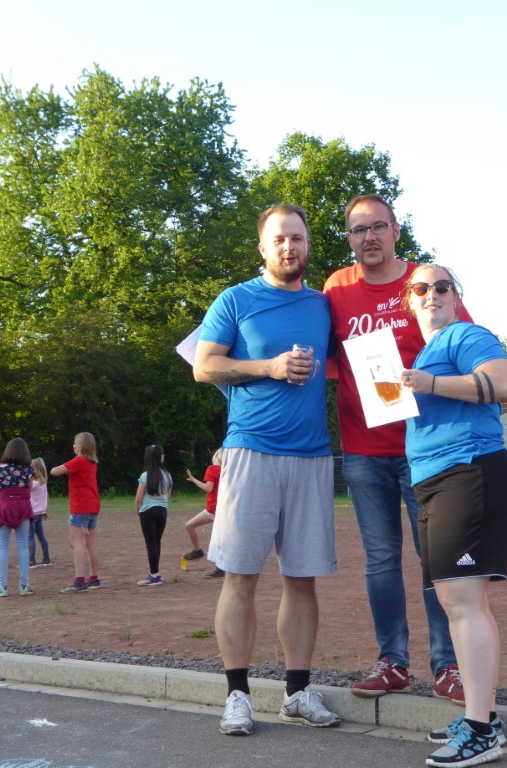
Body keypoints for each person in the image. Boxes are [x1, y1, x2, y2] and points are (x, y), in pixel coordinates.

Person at [193, 203, 339, 736]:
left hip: (312, 457)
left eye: (296, 238)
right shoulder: (236, 299)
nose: (288, 247)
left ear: (307, 245)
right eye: (279, 239)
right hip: (250, 452)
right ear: (262, 247)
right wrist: (269, 367)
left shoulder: (324, 305)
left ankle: (297, 693)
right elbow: (204, 366)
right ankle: (237, 696)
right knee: (240, 577)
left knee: (302, 580)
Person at [323, 193, 463, 705]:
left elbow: (461, 344)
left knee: (434, 557)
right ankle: (392, 662)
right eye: (359, 230)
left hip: (424, 448)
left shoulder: (425, 283)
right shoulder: (336, 287)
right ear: (350, 238)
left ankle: (448, 666)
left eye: (378, 227)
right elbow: (327, 357)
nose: (370, 237)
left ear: (396, 230)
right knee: (380, 559)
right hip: (363, 450)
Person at [398, 264, 507, 767]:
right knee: (459, 604)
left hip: (469, 471)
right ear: (409, 300)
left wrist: (428, 382)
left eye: (442, 286)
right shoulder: (425, 353)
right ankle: (481, 716)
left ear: (456, 296)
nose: (431, 294)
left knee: (464, 604)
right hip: (439, 480)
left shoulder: (466, 335)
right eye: (420, 288)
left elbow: (501, 385)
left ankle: (480, 730)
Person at [51, 432, 101, 593]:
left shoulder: (79, 460)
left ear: (80, 446)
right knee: (90, 543)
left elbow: (54, 471)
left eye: (75, 443)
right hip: (93, 504)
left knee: (76, 541)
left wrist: (65, 468)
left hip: (81, 506)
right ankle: (94, 578)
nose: (73, 445)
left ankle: (79, 581)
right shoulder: (92, 462)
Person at [0, 437, 35, 597]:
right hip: (23, 506)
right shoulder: (29, 469)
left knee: (2, 547)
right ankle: (24, 586)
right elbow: (28, 490)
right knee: (23, 545)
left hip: (4, 506)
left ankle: (2, 586)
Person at [135, 444, 172, 586]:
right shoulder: (167, 475)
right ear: (159, 457)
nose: (164, 456)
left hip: (147, 511)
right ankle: (155, 573)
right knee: (157, 542)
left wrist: (138, 511)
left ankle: (154, 575)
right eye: (162, 454)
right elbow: (167, 496)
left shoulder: (145, 476)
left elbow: (138, 499)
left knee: (151, 544)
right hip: (162, 511)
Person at [184, 448, 224, 578]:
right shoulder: (227, 470)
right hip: (224, 508)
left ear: (216, 456)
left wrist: (194, 479)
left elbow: (208, 488)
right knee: (221, 538)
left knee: (189, 525)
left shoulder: (212, 469)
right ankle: (220, 567)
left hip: (213, 508)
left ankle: (197, 551)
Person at [29, 458, 52, 568]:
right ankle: (46, 559)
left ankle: (31, 561)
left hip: (31, 513)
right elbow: (46, 497)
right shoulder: (43, 483)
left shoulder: (33, 484)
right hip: (39, 513)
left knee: (30, 537)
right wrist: (45, 511)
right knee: (41, 536)